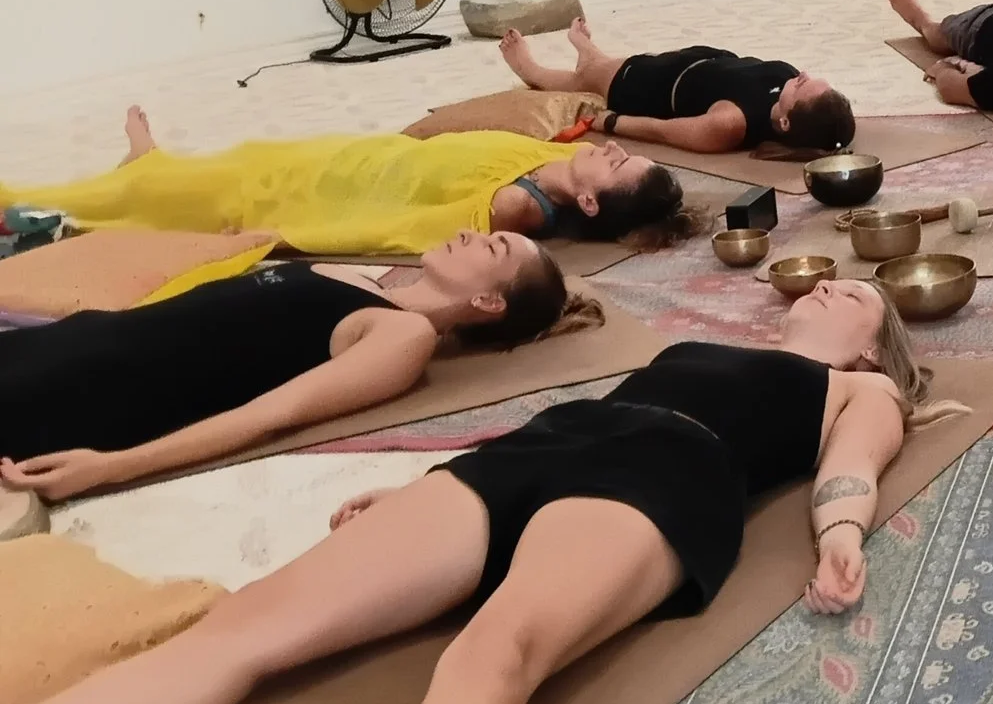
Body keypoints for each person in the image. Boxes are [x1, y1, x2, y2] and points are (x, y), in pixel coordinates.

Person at [0, 277, 954, 704]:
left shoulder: (858, 385)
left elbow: (853, 465)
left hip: (670, 472)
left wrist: (841, 531)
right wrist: (418, 486)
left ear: (874, 341)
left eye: (858, 294)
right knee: (249, 624)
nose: (834, 287)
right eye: (829, 280)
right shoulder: (706, 343)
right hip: (535, 451)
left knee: (497, 653)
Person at [0, 231, 568, 500]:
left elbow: (270, 414)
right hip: (70, 342)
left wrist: (112, 467)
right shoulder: (358, 275)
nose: (471, 234)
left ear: (490, 303)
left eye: (491, 249)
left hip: (73, 394)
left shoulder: (403, 333)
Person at [2, 107, 685, 255]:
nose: (615, 146)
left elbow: (398, 232)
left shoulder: (518, 206)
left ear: (590, 199)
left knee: (147, 200)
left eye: (619, 163)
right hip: (345, 157)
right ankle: (147, 164)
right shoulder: (551, 154)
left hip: (316, 193)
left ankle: (52, 210)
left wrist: (280, 239)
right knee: (219, 162)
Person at [499, 18, 853, 154]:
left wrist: (608, 122)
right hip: (694, 63)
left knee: (584, 79)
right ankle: (588, 51)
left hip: (648, 86)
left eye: (804, 85)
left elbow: (664, 131)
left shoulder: (730, 123)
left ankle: (530, 68)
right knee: (600, 65)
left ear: (787, 122)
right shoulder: (787, 85)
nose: (802, 74)